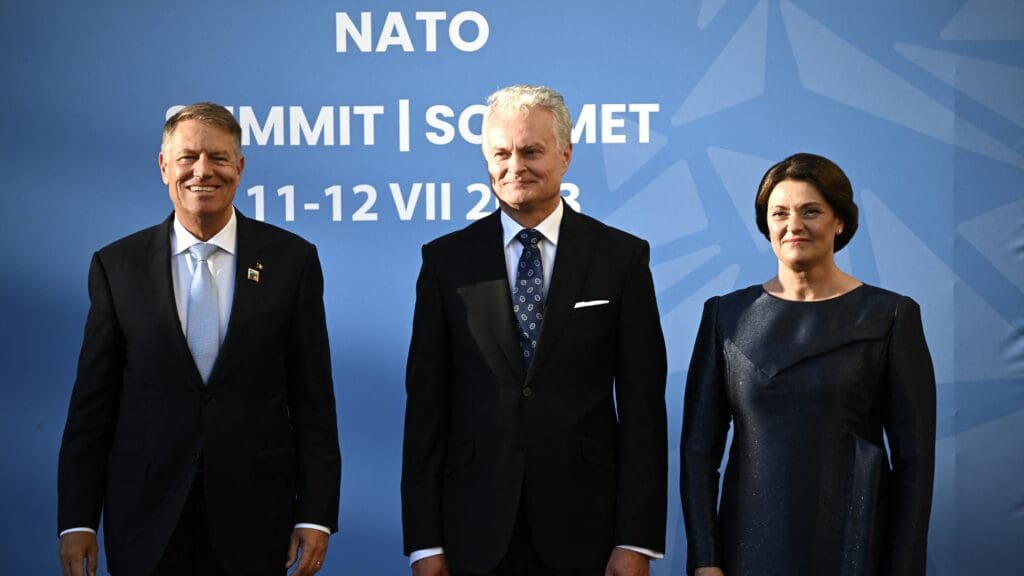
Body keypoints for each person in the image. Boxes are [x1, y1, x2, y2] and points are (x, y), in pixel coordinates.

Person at [57, 103, 341, 576]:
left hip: (255, 520)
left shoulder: (293, 261)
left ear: (241, 168)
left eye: (219, 157)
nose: (202, 171)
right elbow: (92, 406)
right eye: (188, 157)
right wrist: (77, 522)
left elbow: (313, 401)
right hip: (145, 522)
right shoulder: (116, 266)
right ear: (164, 165)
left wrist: (316, 514)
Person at [401, 85, 668, 576]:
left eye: (531, 151)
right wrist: (424, 543)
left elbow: (643, 410)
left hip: (589, 529)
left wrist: (638, 540)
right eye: (500, 153)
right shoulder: (446, 263)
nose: (514, 166)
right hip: (473, 533)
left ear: (565, 156)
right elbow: (425, 413)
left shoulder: (621, 259)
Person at [680, 152, 936, 576]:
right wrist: (706, 561)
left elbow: (914, 461)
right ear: (767, 224)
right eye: (779, 213)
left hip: (856, 548)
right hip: (747, 550)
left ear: (840, 221)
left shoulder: (890, 316)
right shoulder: (725, 317)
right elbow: (697, 452)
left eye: (811, 211)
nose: (793, 225)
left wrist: (904, 568)